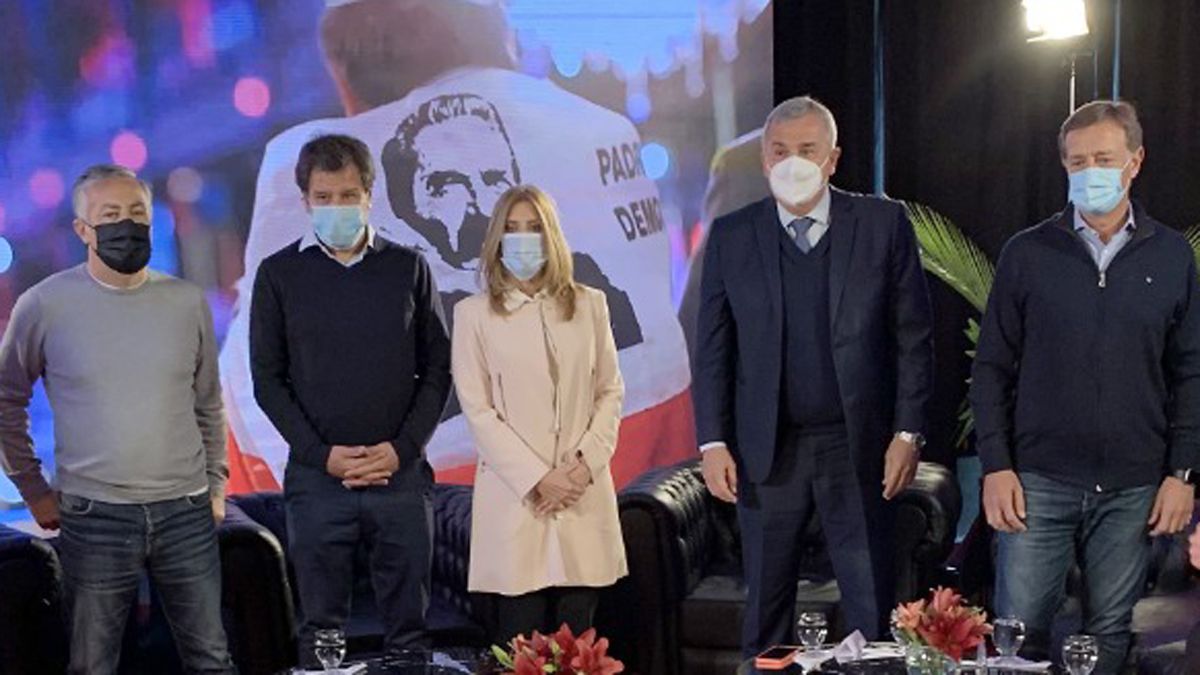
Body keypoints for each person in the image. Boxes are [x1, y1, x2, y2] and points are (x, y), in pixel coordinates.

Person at [221, 0, 690, 487]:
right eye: (447, 186)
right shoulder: (601, 142)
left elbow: (258, 465)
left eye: (493, 179)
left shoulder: (592, 290)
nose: (479, 205)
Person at [692, 96, 934, 656]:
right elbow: (713, 349)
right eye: (780, 151)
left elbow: (914, 339)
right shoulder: (732, 235)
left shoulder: (882, 225)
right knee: (765, 611)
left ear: (832, 159)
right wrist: (712, 440)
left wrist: (908, 433)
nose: (792, 162)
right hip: (767, 450)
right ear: (763, 159)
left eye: (807, 149)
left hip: (858, 446)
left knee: (870, 605)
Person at [971, 100, 1200, 675]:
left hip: (1133, 486)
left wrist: (1182, 474)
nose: (1090, 171)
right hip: (1037, 481)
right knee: (1017, 636)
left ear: (1135, 162)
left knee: (1109, 637)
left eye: (1104, 158)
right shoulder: (1027, 253)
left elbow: (1191, 370)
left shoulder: (1172, 255)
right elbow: (992, 366)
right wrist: (996, 465)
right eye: (1078, 162)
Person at [0, 164, 233, 674]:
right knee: (93, 664)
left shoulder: (186, 302)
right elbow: (6, 400)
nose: (125, 225)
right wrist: (33, 489)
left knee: (211, 659)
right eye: (109, 215)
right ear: (83, 229)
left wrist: (215, 486)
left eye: (136, 213)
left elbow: (208, 404)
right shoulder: (44, 305)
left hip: (185, 510)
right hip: (93, 517)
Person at [249, 134, 452, 665]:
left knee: (410, 635)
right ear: (305, 200)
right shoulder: (277, 275)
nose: (336, 206)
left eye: (347, 195)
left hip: (400, 479)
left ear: (368, 195)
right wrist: (323, 456)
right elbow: (268, 380)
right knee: (321, 637)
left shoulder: (408, 267)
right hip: (318, 482)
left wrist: (402, 449)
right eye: (324, 197)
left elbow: (437, 369)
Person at [451, 184, 627, 642]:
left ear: (552, 237)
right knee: (521, 649)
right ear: (496, 239)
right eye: (512, 228)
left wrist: (583, 466)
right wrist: (537, 479)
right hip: (516, 503)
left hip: (581, 498)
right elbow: (479, 411)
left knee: (580, 651)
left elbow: (610, 390)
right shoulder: (473, 315)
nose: (523, 239)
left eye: (534, 227)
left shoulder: (590, 304)